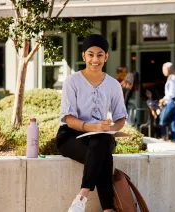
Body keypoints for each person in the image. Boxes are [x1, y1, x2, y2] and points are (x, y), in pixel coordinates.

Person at [55, 34, 128, 212]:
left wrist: (110, 128)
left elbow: (121, 118)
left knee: (101, 142)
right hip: (70, 136)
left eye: (100, 54)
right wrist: (92, 127)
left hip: (101, 136)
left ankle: (81, 197)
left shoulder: (113, 85)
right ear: (83, 56)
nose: (95, 59)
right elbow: (69, 118)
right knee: (103, 155)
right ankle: (107, 209)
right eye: (90, 54)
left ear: (106, 57)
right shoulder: (72, 81)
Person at [159, 62, 175, 142]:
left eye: (164, 69)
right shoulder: (172, 78)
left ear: (168, 69)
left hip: (172, 102)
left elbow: (171, 93)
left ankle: (164, 137)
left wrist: (163, 99)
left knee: (162, 119)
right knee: (173, 121)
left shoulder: (172, 78)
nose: (163, 71)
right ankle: (173, 139)